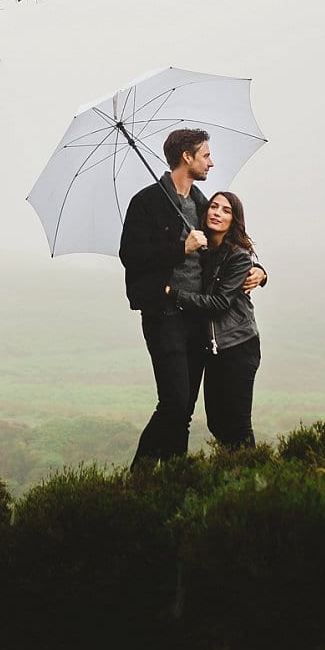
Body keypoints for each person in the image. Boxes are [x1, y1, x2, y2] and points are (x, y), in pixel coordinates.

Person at [120, 128, 264, 468]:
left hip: (198, 320)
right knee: (173, 402)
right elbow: (130, 256)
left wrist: (260, 270)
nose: (210, 163)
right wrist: (179, 248)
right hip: (164, 315)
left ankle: (175, 477)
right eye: (206, 155)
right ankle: (139, 477)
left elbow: (230, 244)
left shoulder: (201, 203)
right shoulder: (146, 202)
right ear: (187, 157)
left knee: (184, 410)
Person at [169, 191, 261, 448]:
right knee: (217, 423)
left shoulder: (238, 256)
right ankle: (233, 469)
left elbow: (220, 303)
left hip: (238, 345)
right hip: (215, 349)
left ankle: (254, 470)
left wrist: (175, 294)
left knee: (238, 425)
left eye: (226, 210)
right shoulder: (204, 251)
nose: (217, 213)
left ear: (234, 220)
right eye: (214, 207)